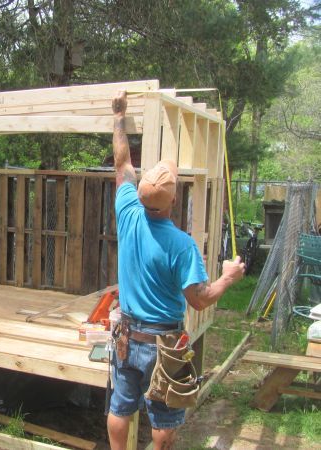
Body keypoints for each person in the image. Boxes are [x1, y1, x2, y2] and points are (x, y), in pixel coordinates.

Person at [107, 91, 245, 450]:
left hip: (126, 336)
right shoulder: (182, 245)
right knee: (164, 417)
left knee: (120, 407)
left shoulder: (127, 213)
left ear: (139, 194)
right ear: (174, 200)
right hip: (162, 344)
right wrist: (229, 277)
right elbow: (199, 300)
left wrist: (119, 115)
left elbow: (122, 163)